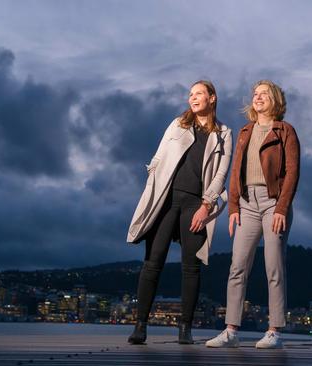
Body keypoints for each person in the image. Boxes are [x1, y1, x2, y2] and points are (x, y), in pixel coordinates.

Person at [126, 80, 232, 345]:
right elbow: (158, 159)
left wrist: (206, 205)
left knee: (191, 267)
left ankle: (185, 328)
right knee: (153, 262)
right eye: (190, 94)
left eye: (198, 94)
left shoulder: (224, 133)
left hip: (196, 205)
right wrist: (153, 188)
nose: (192, 98)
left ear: (212, 98)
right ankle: (140, 326)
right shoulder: (178, 124)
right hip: (166, 201)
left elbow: (221, 174)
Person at [206, 80, 300, 349]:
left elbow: (292, 173)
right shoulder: (246, 131)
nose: (258, 98)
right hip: (246, 204)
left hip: (273, 203)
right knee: (237, 266)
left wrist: (282, 208)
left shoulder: (285, 131)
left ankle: (274, 332)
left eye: (264, 94)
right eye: (255, 94)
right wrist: (233, 206)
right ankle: (231, 330)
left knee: (273, 266)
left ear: (276, 100)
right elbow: (236, 170)